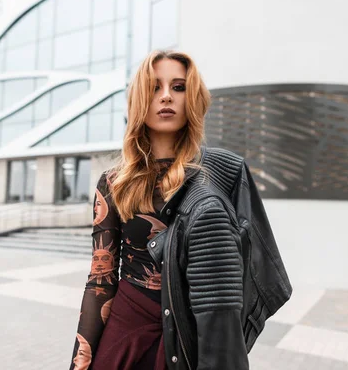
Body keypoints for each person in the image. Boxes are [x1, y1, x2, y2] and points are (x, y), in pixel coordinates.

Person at [70, 50, 291, 370]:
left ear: (193, 99)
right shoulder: (114, 182)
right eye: (154, 87)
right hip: (125, 335)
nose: (165, 97)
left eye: (178, 87)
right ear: (139, 99)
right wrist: (80, 361)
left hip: (193, 335)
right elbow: (101, 280)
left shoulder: (222, 171)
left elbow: (249, 262)